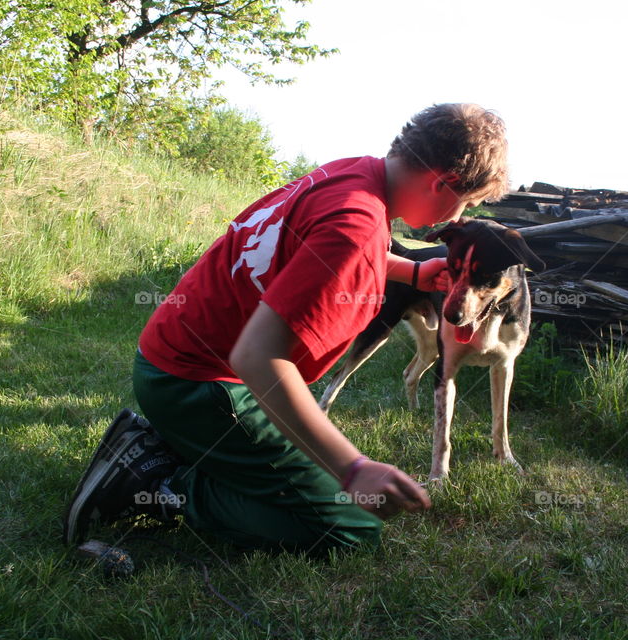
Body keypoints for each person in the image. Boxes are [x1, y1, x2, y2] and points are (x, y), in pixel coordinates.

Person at [63, 103, 511, 553]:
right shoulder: (353, 227)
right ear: (442, 182)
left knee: (300, 481)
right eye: (467, 203)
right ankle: (157, 483)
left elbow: (325, 250)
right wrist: (352, 469)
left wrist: (412, 274)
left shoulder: (355, 177)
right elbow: (256, 357)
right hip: (203, 384)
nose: (458, 217)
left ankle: (180, 448)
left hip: (169, 363)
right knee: (349, 525)